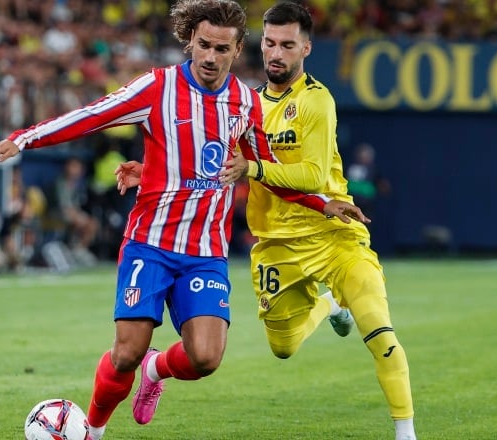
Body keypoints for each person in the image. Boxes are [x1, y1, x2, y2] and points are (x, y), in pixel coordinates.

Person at [0, 1, 364, 439]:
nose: (210, 57)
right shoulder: (155, 88)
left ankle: (156, 372)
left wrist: (321, 202)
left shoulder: (245, 103)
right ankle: (94, 432)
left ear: (237, 51)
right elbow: (91, 115)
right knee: (125, 353)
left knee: (206, 358)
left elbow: (266, 168)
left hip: (205, 253)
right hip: (151, 244)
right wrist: (22, 139)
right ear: (189, 42)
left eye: (221, 49)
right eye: (203, 46)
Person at [117, 3, 417, 439]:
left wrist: (252, 169)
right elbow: (203, 161)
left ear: (306, 48)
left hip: (334, 237)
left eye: (288, 45)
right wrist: (146, 171)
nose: (276, 54)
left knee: (380, 332)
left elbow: (313, 176)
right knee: (283, 347)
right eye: (270, 44)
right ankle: (328, 306)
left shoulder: (317, 100)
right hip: (276, 245)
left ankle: (406, 431)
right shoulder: (244, 104)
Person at [346, 142, 391, 218]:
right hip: (349, 204)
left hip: (366, 208)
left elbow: (382, 184)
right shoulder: (348, 167)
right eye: (362, 155)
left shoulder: (374, 170)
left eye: (366, 155)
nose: (364, 157)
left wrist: (384, 187)